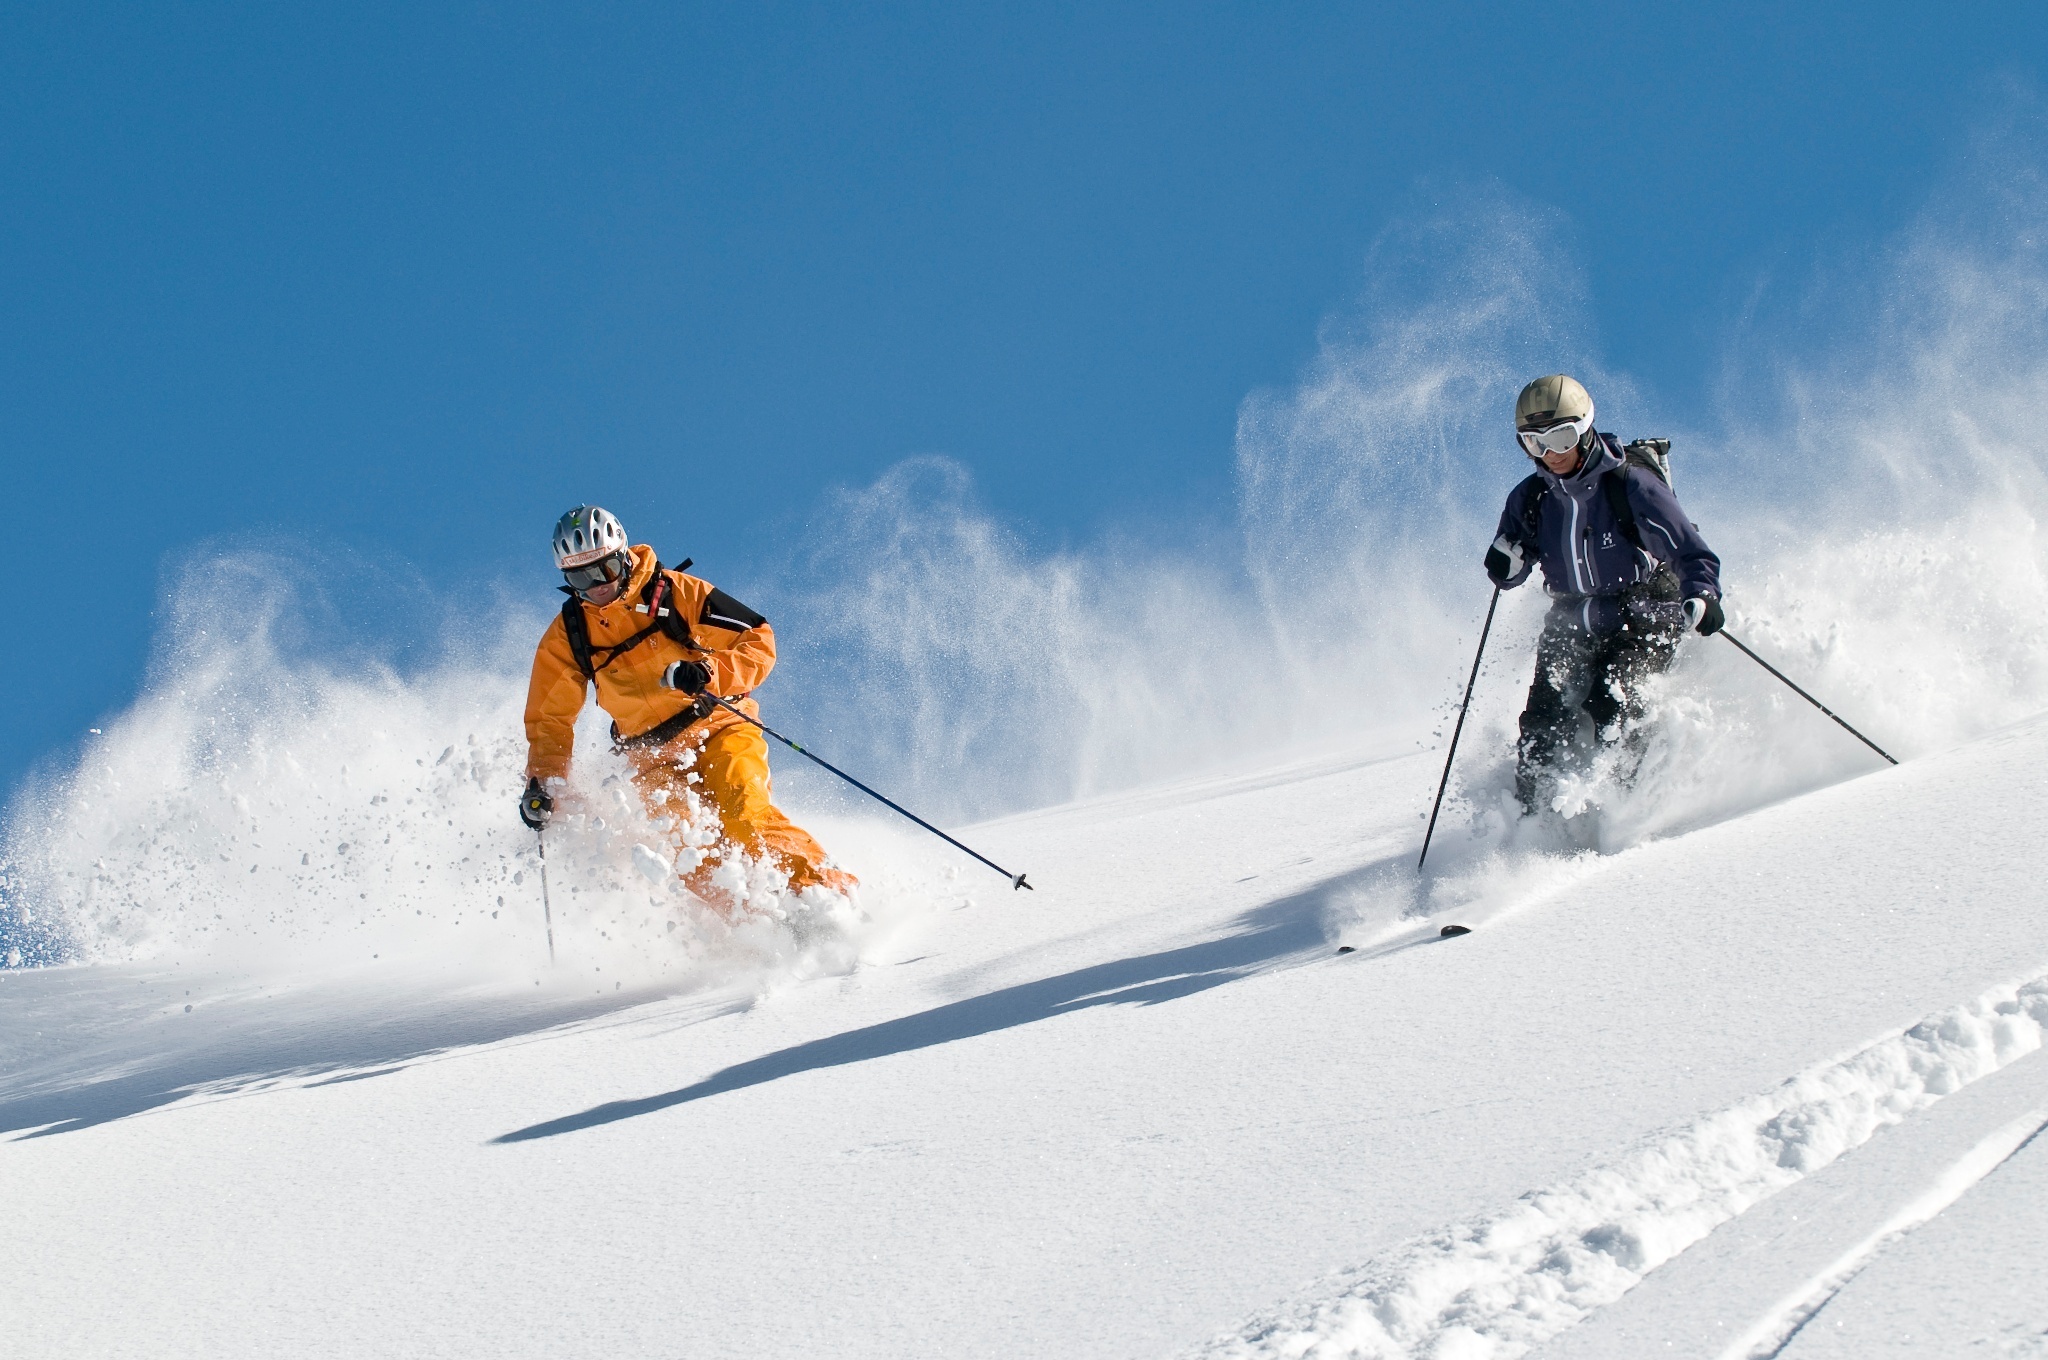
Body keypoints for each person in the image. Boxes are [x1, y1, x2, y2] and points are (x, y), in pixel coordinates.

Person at [517, 505, 856, 912]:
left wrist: (707, 673)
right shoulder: (569, 635)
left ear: (622, 556)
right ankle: (759, 925)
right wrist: (543, 784)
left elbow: (757, 638)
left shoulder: (675, 593)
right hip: (651, 759)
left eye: (603, 570)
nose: (597, 586)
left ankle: (828, 896)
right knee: (685, 850)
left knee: (744, 818)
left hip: (717, 727)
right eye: (580, 578)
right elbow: (549, 719)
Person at [1483, 375, 1724, 814]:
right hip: (1571, 620)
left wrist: (1704, 594)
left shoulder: (1629, 485)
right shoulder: (1532, 498)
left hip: (1644, 613)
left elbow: (1689, 549)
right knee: (1542, 725)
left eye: (1562, 436)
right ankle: (1528, 830)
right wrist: (1503, 564)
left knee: (1612, 704)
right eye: (1536, 443)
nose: (1552, 453)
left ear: (1586, 428)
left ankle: (1624, 814)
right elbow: (1512, 567)